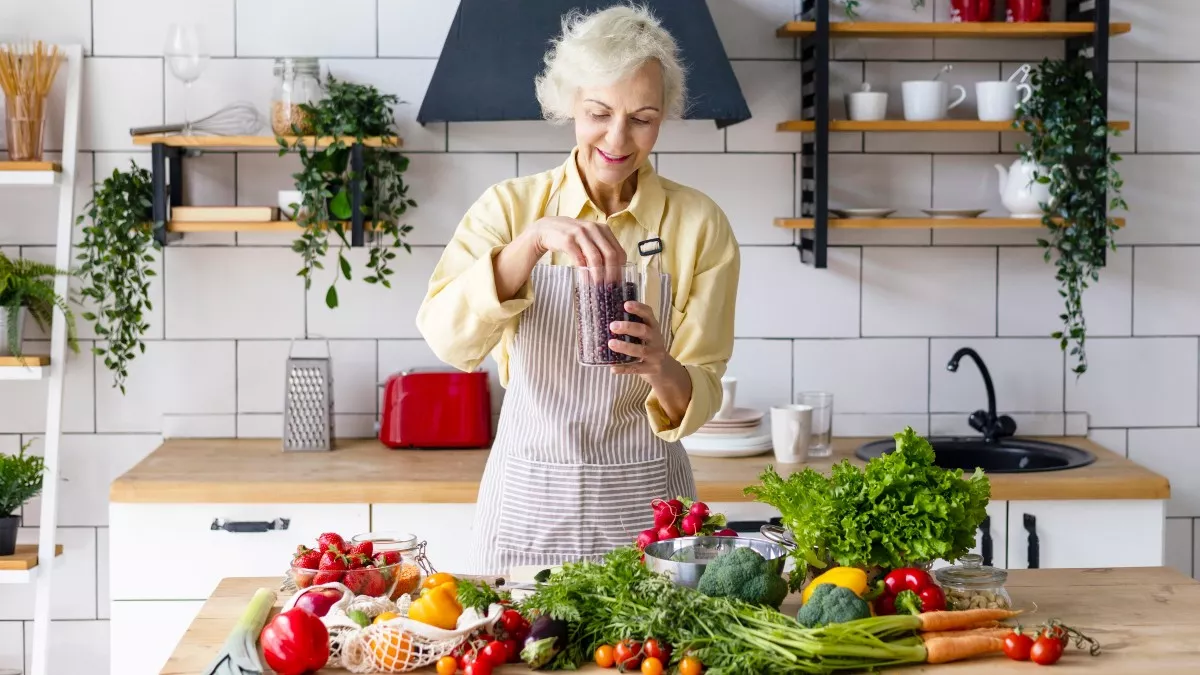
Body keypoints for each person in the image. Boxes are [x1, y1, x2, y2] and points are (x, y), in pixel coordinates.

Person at [416, 3, 740, 574]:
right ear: (569, 104)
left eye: (642, 117)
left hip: (649, 512)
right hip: (527, 504)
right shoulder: (510, 208)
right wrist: (531, 243)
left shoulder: (699, 224)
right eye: (598, 112)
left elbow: (704, 384)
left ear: (663, 117)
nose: (618, 138)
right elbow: (447, 338)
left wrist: (660, 364)